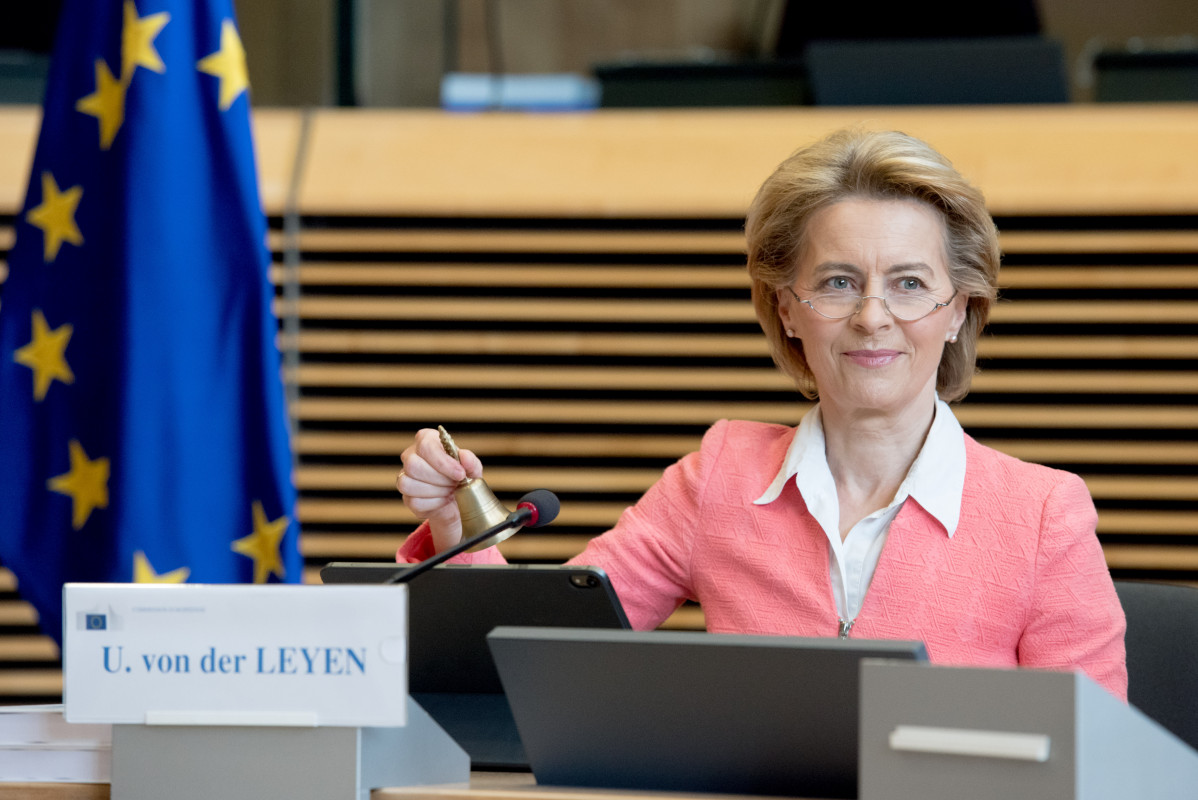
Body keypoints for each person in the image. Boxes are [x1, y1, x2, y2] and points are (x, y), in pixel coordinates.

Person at [394, 128, 1127, 700]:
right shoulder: (719, 477)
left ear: (958, 310)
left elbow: (1100, 767)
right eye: (838, 282)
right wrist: (457, 533)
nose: (873, 317)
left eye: (908, 283)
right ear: (788, 309)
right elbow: (532, 652)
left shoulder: (1042, 517)